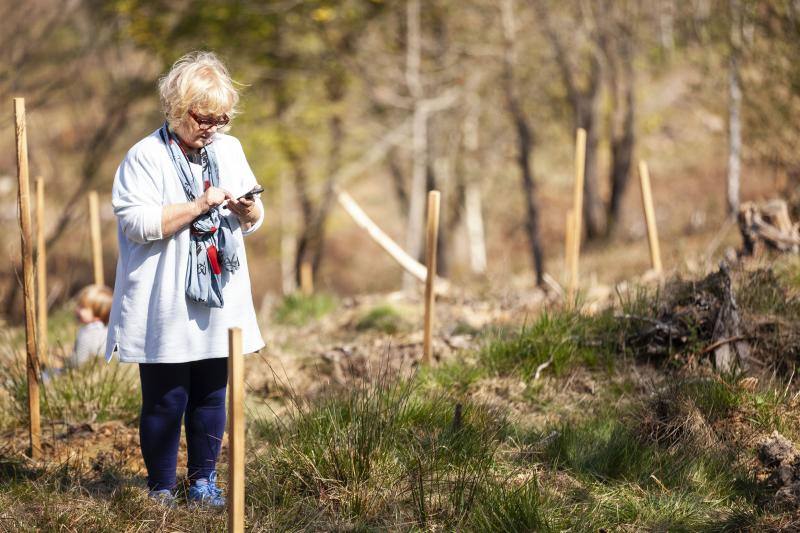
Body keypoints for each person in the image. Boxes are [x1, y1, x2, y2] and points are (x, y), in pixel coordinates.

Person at [105, 51, 265, 508]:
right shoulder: (144, 156)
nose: (214, 126)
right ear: (177, 108)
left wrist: (247, 209)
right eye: (204, 116)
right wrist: (199, 206)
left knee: (212, 394)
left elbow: (256, 216)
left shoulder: (230, 150)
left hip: (220, 297)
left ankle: (203, 482)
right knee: (166, 398)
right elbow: (137, 222)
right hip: (165, 300)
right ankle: (159, 489)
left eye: (223, 117)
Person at [68, 284, 113, 369]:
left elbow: (77, 362)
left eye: (82, 307)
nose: (77, 309)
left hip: (84, 373)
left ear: (99, 312)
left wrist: (68, 365)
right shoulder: (109, 332)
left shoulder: (85, 333)